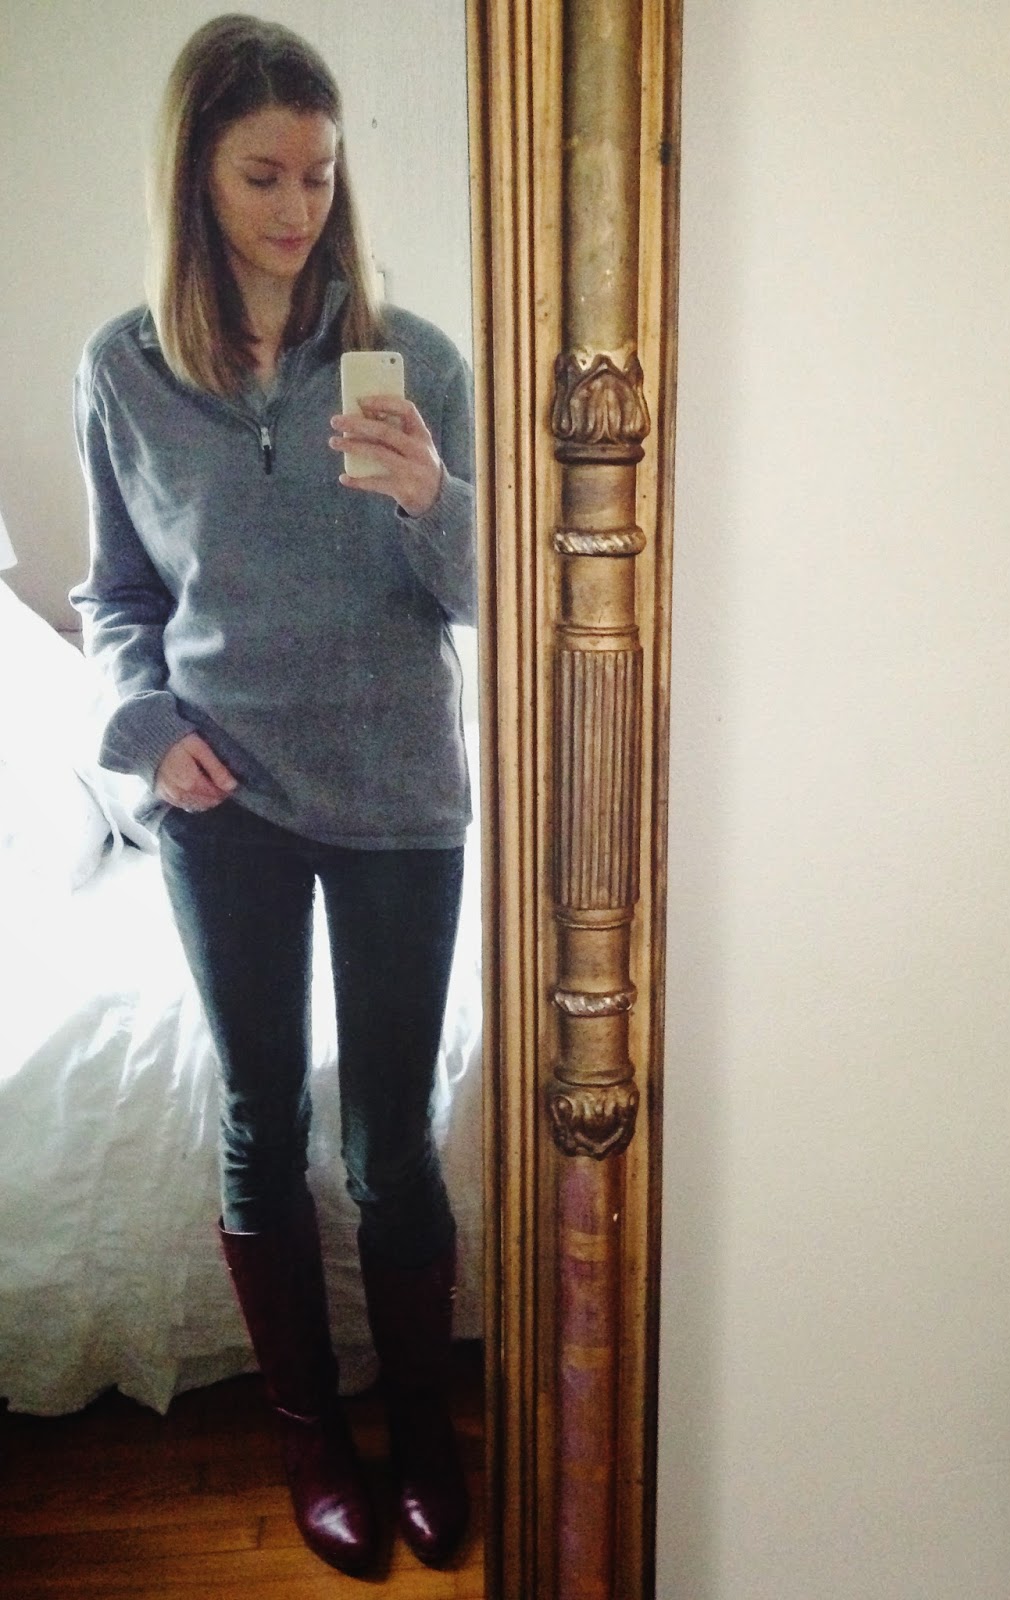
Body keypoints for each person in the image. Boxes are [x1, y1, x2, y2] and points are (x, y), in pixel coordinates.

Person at [70, 13, 475, 1577]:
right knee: (256, 1119)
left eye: (318, 173)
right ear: (196, 174)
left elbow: (483, 597)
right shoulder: (122, 369)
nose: (299, 206)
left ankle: (423, 1429)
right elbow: (117, 594)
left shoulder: (411, 358)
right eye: (262, 175)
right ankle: (309, 1433)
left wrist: (433, 497)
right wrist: (142, 725)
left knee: (390, 1139)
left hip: (396, 795)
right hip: (221, 793)